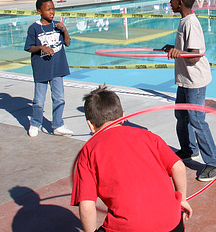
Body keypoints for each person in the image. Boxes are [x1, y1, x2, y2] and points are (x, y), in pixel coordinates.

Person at [71, 86, 191, 232]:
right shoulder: (148, 136)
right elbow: (178, 166)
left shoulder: (89, 152)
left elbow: (86, 205)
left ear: (91, 125)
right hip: (172, 223)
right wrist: (182, 199)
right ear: (123, 116)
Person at [162, 0, 216, 182]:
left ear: (180, 2)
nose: (170, 3)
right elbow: (187, 49)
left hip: (195, 80)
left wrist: (179, 53)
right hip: (185, 79)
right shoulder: (184, 20)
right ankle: (189, 149)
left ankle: (215, 161)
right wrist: (175, 48)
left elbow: (196, 54)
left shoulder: (191, 23)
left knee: (197, 119)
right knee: (181, 115)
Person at [24, 0, 73, 137]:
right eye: (48, 9)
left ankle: (58, 125)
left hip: (57, 68)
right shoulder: (34, 28)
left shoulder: (58, 25)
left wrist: (65, 30)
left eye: (53, 9)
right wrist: (41, 47)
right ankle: (35, 123)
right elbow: (28, 47)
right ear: (39, 11)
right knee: (39, 100)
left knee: (59, 98)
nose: (52, 12)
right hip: (42, 69)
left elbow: (67, 43)